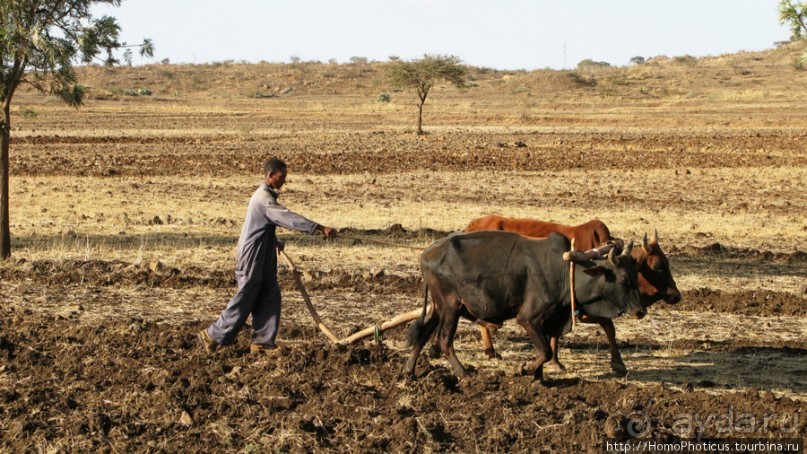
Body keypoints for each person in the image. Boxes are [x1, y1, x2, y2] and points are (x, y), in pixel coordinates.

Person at [198, 157, 337, 355]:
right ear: (270, 175)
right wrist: (318, 227)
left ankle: (262, 342)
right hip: (252, 255)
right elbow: (286, 217)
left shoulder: (265, 196)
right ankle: (213, 335)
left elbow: (263, 225)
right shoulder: (263, 198)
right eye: (281, 177)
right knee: (246, 297)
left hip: (264, 253)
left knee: (270, 295)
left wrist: (273, 240)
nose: (284, 181)